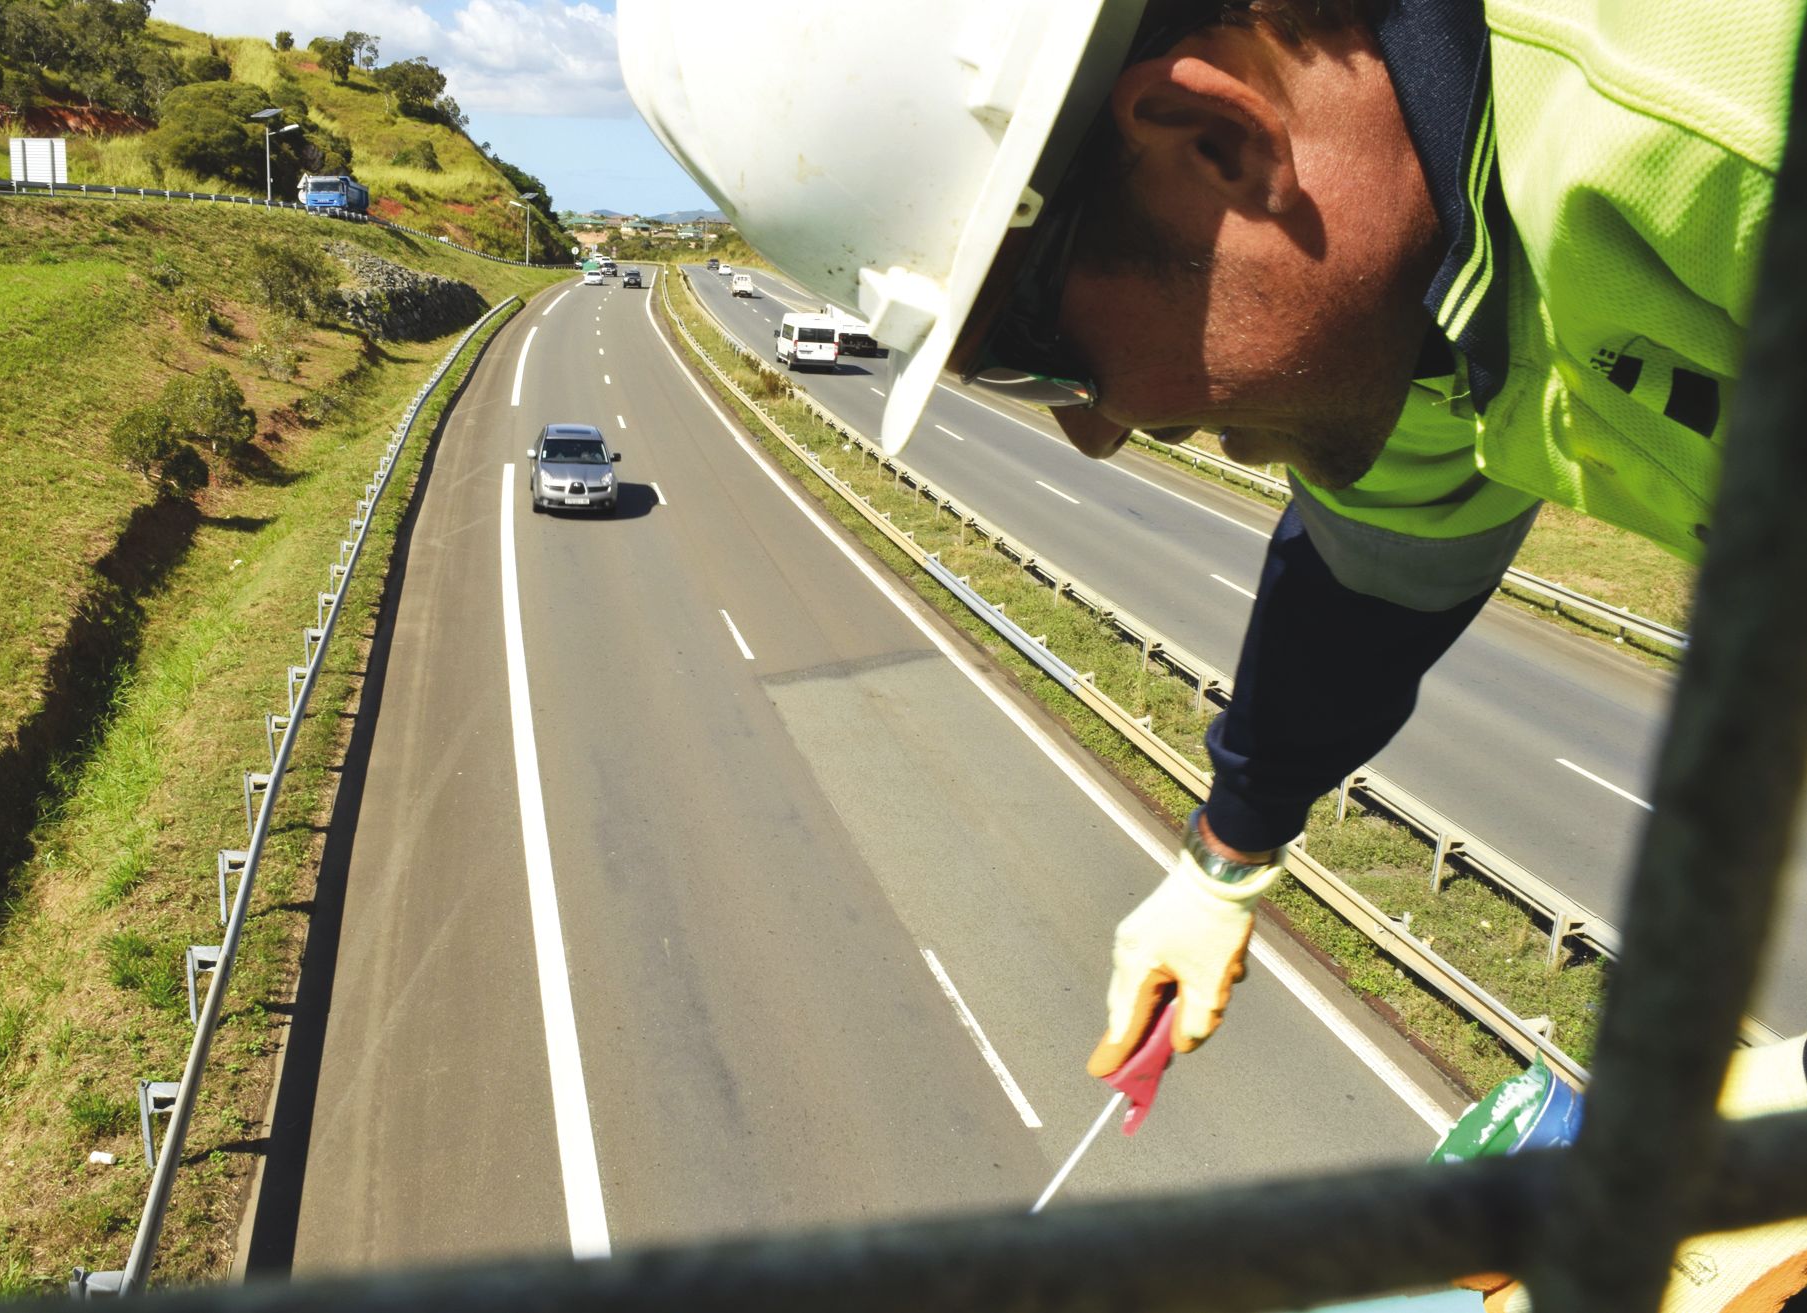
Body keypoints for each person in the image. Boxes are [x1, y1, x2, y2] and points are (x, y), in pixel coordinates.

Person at [620, 1, 1797, 1069]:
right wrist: (1226, 853)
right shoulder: (1427, 306)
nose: (1097, 434)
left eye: (1045, 367)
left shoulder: (1719, 131)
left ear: (1216, 139)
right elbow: (1370, 584)